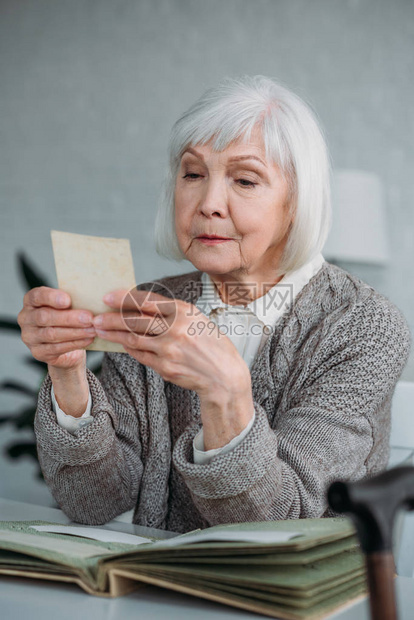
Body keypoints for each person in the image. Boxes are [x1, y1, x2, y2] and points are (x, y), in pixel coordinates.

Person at [19, 76, 411, 532]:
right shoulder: (154, 303)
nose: (208, 203)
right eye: (193, 174)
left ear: (296, 204)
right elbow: (97, 504)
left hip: (293, 597)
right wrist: (67, 372)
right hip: (163, 590)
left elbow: (281, 525)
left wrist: (225, 393)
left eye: (245, 180)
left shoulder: (363, 325)